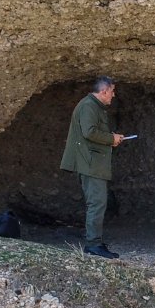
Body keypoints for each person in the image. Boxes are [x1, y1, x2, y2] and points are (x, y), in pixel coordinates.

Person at [58, 76, 124, 259]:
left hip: (93, 162)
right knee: (97, 203)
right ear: (103, 91)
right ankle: (93, 245)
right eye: (112, 91)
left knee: (98, 202)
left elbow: (92, 132)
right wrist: (111, 139)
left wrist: (110, 138)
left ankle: (95, 240)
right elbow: (89, 132)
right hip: (91, 163)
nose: (113, 95)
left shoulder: (93, 106)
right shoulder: (89, 106)